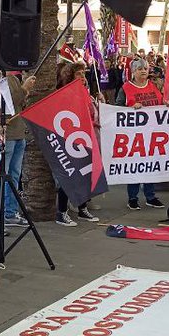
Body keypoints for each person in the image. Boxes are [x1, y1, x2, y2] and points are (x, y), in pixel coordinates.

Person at [0, 68, 37, 229]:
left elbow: (20, 103)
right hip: (5, 135)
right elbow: (10, 103)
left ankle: (10, 212)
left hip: (18, 132)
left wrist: (24, 92)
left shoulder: (13, 78)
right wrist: (25, 89)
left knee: (14, 176)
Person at [54, 63, 100, 225]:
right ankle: (62, 212)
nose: (82, 77)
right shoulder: (64, 94)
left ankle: (82, 208)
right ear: (70, 76)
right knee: (69, 175)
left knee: (84, 175)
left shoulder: (85, 93)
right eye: (78, 74)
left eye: (83, 74)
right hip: (70, 140)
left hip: (85, 138)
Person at [117, 58, 164, 210]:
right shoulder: (126, 88)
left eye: (145, 68)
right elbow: (117, 108)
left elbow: (159, 103)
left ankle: (150, 196)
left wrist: (166, 104)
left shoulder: (152, 86)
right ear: (133, 72)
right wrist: (131, 108)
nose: (143, 70)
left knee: (150, 166)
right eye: (139, 69)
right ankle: (133, 197)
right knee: (135, 165)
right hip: (134, 134)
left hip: (152, 133)